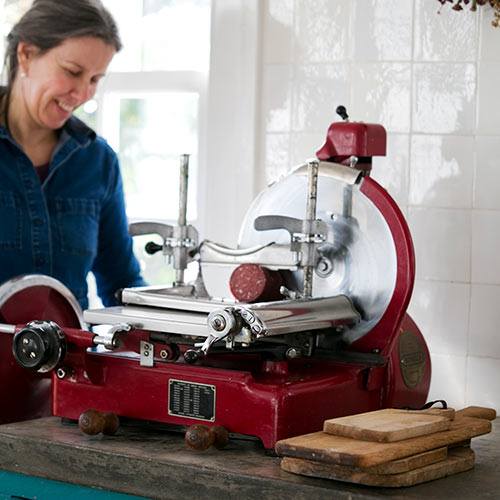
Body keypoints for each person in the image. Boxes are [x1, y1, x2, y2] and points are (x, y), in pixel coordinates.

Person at [0, 0, 145, 310]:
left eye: (94, 80)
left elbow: (121, 282)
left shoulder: (98, 161)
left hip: (70, 358)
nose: (82, 95)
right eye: (72, 72)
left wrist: (181, 321)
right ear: (26, 55)